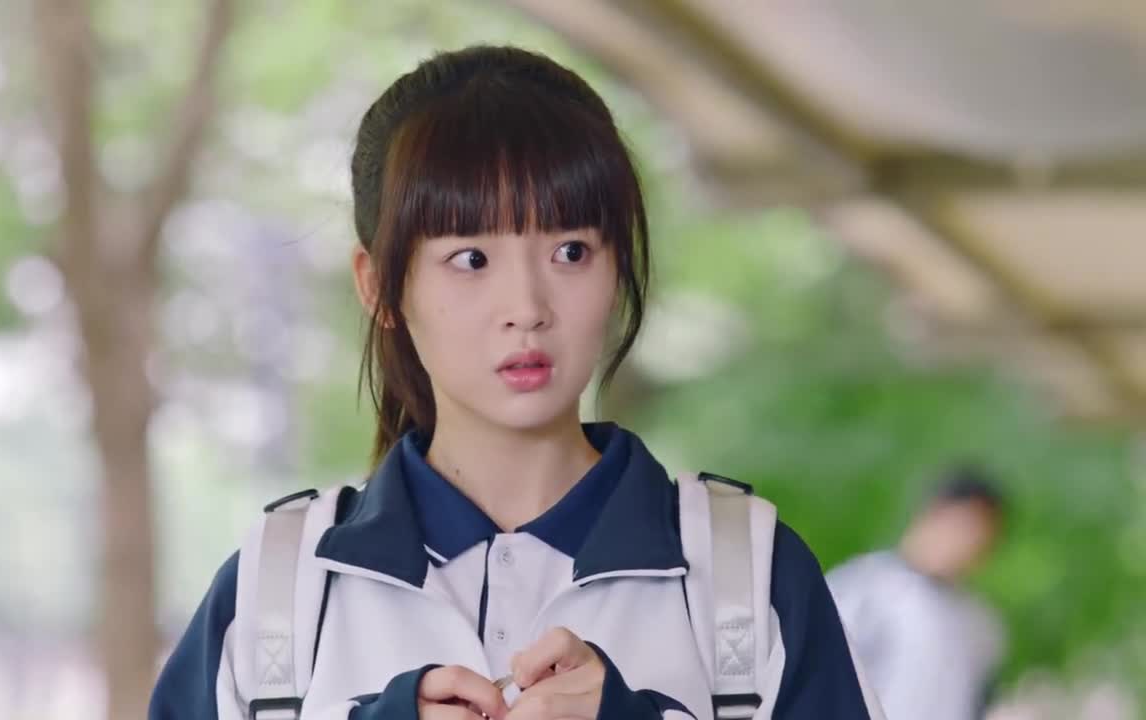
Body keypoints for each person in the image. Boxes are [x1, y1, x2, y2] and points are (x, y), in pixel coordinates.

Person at [150, 45, 883, 720]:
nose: (527, 307)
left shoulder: (748, 575)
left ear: (618, 268)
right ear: (378, 286)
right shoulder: (275, 593)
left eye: (571, 251)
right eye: (471, 259)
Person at [828, 465, 1007, 720]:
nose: (968, 543)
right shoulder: (866, 588)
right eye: (963, 526)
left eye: (982, 535)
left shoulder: (978, 626)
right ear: (934, 513)